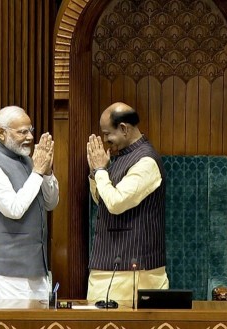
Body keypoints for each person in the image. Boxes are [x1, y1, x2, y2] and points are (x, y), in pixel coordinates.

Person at [0, 105, 59, 300]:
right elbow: (14, 208)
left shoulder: (28, 161)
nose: (29, 137)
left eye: (31, 130)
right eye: (22, 132)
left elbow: (50, 203)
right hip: (3, 273)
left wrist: (46, 173)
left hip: (36, 268)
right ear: (2, 133)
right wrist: (37, 171)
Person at [86, 102, 168, 306]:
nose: (105, 140)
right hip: (110, 266)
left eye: (107, 134)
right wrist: (96, 173)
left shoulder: (146, 161)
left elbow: (116, 203)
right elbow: (102, 200)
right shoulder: (121, 157)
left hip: (132, 271)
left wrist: (100, 171)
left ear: (124, 128)